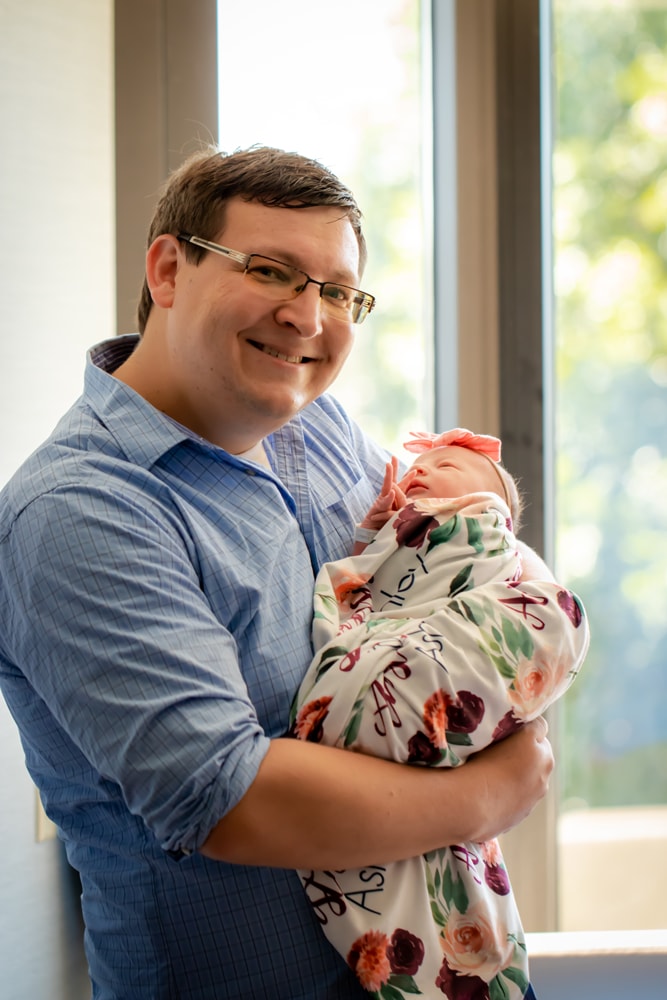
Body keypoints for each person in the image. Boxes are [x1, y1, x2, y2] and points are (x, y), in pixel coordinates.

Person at [0, 146, 554, 1000]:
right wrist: (490, 795)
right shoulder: (77, 512)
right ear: (168, 270)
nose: (306, 316)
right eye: (269, 271)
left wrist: (484, 492)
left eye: (337, 292)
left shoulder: (314, 425)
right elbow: (233, 802)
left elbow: (442, 562)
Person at [291, 428, 589, 999]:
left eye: (445, 465)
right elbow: (370, 586)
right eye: (417, 468)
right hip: (382, 666)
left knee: (449, 872)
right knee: (424, 872)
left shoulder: (483, 533)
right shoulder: (403, 526)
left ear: (491, 502)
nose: (420, 471)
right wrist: (377, 536)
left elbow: (505, 586)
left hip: (429, 672)